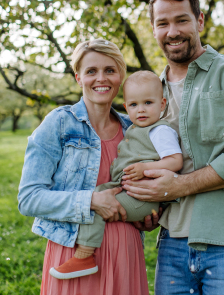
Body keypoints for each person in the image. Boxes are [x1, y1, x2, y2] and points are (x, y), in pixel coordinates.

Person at [122, 0, 224, 295]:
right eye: (163, 23)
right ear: (153, 29)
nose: (173, 31)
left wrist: (177, 186)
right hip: (173, 243)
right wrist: (152, 206)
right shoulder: (151, 93)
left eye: (182, 20)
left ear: (200, 21)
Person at [18, 38, 152, 295]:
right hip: (74, 253)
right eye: (91, 71)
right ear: (78, 77)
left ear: (120, 76)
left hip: (125, 251)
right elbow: (29, 198)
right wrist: (90, 201)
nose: (101, 78)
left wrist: (147, 217)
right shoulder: (58, 123)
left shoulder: (134, 129)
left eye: (109, 70)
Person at [49, 70, 183, 279]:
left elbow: (176, 161)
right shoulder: (132, 128)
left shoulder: (160, 131)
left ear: (163, 104)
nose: (141, 110)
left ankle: (85, 255)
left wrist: (145, 168)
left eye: (148, 103)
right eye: (134, 105)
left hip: (142, 196)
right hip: (128, 189)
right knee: (93, 197)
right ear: (125, 106)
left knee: (99, 207)